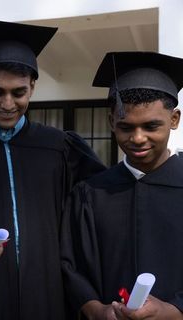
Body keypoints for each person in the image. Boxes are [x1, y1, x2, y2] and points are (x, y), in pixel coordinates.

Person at [0, 17, 106, 320]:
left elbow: (97, 208)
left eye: (19, 92)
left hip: (50, 297)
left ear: (33, 87)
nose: (8, 103)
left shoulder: (59, 148)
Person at [61, 51, 183, 320]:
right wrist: (96, 310)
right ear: (111, 123)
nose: (138, 138)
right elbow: (71, 265)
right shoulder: (90, 193)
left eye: (152, 126)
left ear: (174, 119)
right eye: (126, 127)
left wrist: (174, 310)